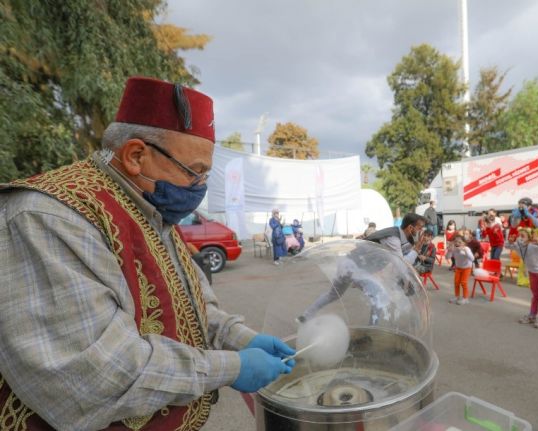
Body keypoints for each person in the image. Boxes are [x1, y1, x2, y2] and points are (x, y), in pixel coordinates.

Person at [0, 77, 295, 430]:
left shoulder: (151, 211)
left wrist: (241, 339)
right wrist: (232, 367)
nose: (199, 187)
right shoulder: (48, 217)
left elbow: (193, 307)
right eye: (194, 172)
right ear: (136, 156)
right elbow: (92, 377)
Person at [297, 213, 426, 323]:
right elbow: (400, 264)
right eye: (419, 228)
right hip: (355, 268)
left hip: (348, 264)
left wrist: (416, 249)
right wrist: (408, 282)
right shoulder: (393, 239)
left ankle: (306, 316)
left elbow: (401, 262)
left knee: (333, 295)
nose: (421, 232)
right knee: (379, 295)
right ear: (410, 228)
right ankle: (372, 331)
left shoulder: (397, 237)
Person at [507, 228, 538, 329]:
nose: (520, 237)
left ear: (529, 237)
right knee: (535, 295)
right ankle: (532, 315)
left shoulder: (534, 245)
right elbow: (507, 246)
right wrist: (509, 241)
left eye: (523, 235)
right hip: (532, 272)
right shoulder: (518, 245)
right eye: (519, 235)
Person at [511, 197, 538, 287]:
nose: (520, 206)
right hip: (528, 233)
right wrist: (515, 217)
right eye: (519, 204)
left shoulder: (535, 211)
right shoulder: (519, 212)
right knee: (526, 256)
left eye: (522, 204)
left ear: (529, 205)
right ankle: (526, 279)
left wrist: (529, 215)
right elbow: (514, 225)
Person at [446, 234, 474, 305]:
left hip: (467, 268)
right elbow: (447, 257)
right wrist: (449, 251)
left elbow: (472, 258)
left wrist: (464, 251)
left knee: (463, 282)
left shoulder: (467, 249)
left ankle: (465, 298)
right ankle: (457, 296)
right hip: (458, 267)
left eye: (459, 242)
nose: (457, 243)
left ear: (464, 243)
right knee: (456, 282)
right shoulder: (454, 249)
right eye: (455, 242)